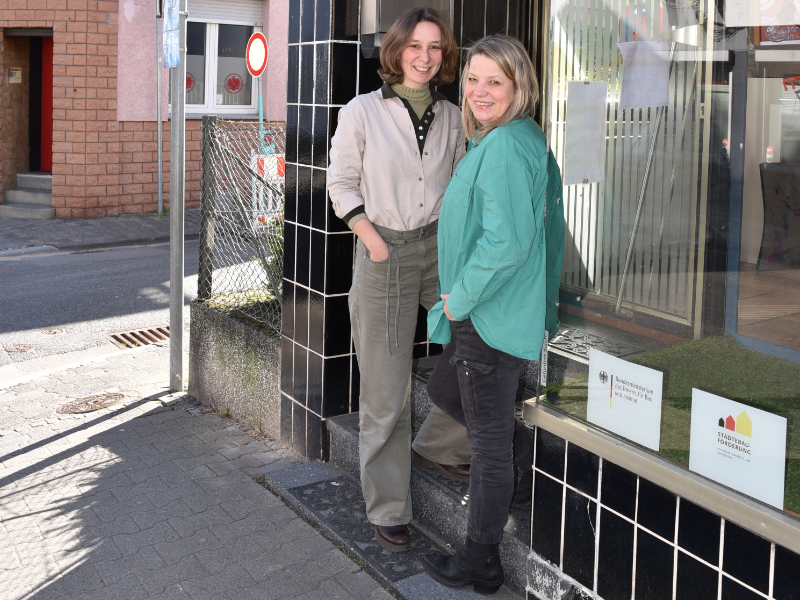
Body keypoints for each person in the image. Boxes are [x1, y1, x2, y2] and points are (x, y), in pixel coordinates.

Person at [327, 7, 469, 553]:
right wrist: (374, 240)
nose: (425, 57)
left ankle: (441, 443)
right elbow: (340, 184)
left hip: (439, 249)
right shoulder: (362, 110)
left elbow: (460, 183)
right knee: (385, 387)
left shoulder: (453, 116)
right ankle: (388, 505)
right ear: (396, 50)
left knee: (474, 343)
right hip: (383, 252)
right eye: (415, 46)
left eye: (435, 47)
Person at [420, 35, 550, 595]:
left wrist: (460, 298)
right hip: (489, 311)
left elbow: (507, 244)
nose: (479, 90)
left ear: (519, 86)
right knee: (447, 394)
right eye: (472, 78)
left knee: (488, 446)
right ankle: (523, 469)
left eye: (495, 81)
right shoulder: (512, 137)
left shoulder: (503, 148)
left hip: (488, 314)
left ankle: (480, 560)